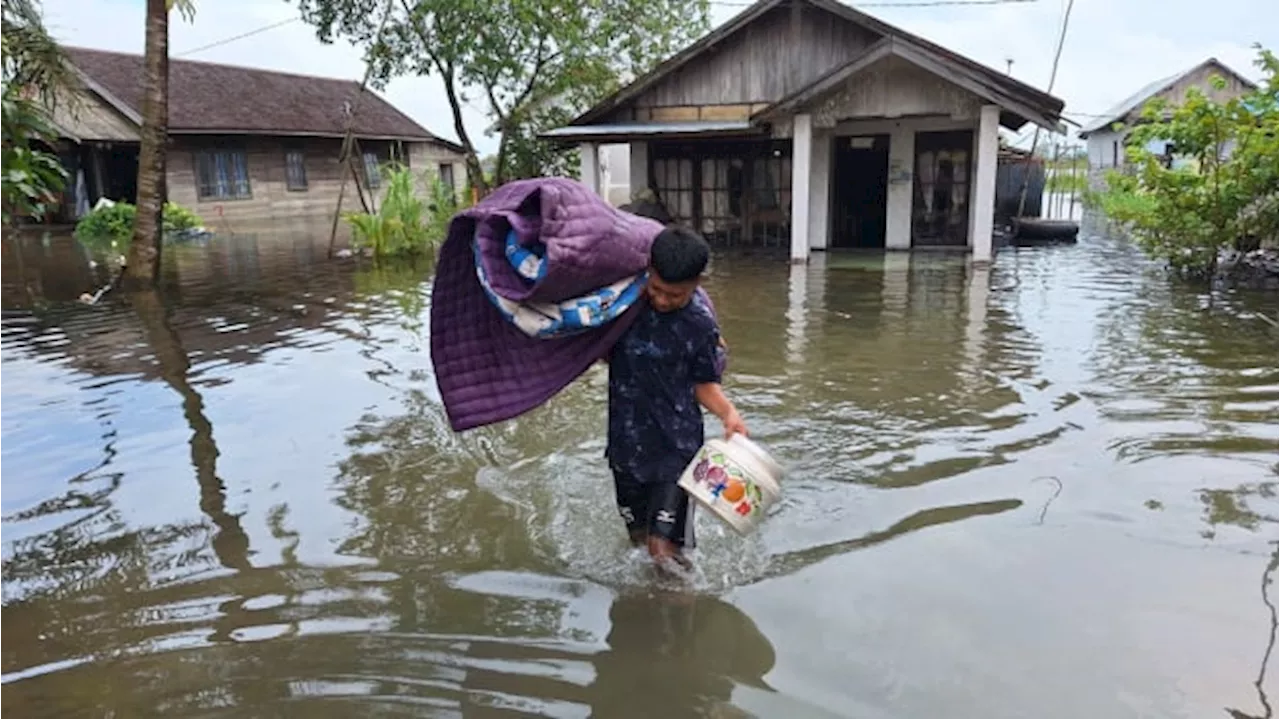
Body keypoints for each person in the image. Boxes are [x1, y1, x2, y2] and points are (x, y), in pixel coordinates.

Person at [603, 225, 749, 571]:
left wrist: (728, 414)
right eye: (657, 289)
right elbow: (590, 350)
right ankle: (648, 617)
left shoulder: (699, 324)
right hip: (625, 446)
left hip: (676, 450)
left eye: (675, 295)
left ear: (697, 283)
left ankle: (687, 614)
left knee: (662, 550)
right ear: (648, 271)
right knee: (638, 541)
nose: (663, 300)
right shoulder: (620, 308)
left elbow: (703, 383)